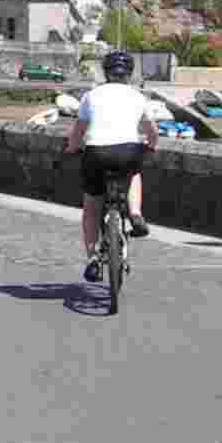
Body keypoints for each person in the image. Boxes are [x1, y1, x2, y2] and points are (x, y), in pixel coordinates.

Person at [63, 50, 159, 284]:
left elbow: (78, 132)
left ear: (106, 72)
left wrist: (72, 148)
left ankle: (92, 259)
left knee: (91, 207)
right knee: (134, 173)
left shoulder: (91, 95)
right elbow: (152, 131)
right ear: (130, 73)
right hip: (128, 151)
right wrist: (151, 146)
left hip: (96, 153)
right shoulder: (138, 96)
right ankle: (135, 213)